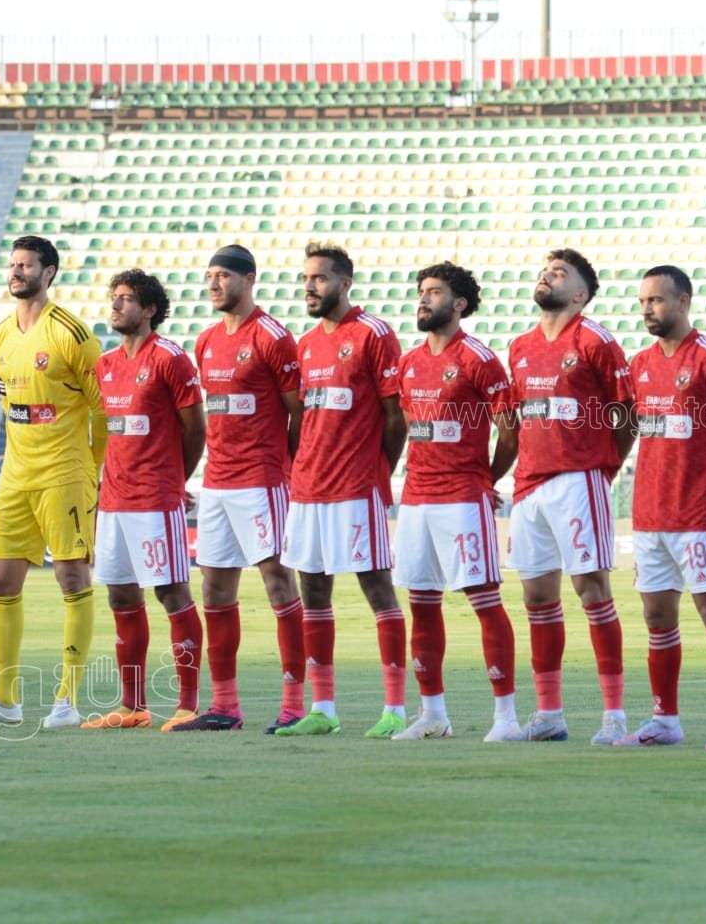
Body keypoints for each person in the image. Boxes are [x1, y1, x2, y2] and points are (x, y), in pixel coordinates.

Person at [0, 235, 107, 728]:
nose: (17, 272)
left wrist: (93, 471)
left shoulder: (72, 334)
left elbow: (103, 410)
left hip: (65, 474)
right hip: (16, 476)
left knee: (72, 577)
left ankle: (67, 701)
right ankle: (5, 699)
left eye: (27, 265)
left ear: (49, 272)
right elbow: (10, 405)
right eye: (13, 264)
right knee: (0, 580)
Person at [616, 265, 706, 749]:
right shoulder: (639, 364)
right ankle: (665, 720)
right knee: (657, 617)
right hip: (650, 514)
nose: (647, 309)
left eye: (655, 300)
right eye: (642, 302)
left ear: (683, 301)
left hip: (696, 512)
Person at [275, 242, 407, 737]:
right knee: (313, 591)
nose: (310, 287)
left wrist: (379, 467)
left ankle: (394, 709)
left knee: (377, 588)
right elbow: (303, 418)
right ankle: (323, 709)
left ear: (345, 283)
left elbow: (396, 417)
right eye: (306, 279)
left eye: (320, 278)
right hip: (308, 488)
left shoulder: (374, 334)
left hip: (356, 485)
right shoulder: (306, 343)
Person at [506, 248, 636, 745]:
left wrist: (604, 466)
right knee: (537, 597)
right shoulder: (520, 346)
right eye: (545, 271)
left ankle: (614, 717)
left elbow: (626, 413)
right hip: (528, 485)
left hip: (578, 480)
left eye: (559, 273)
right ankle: (549, 714)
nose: (547, 277)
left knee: (592, 590)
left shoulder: (595, 340)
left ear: (580, 294)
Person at [175, 244, 306, 733]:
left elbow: (300, 413)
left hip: (262, 480)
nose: (214, 284)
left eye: (224, 276)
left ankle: (294, 704)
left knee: (277, 581)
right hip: (217, 483)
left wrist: (284, 465)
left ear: (249, 280)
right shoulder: (207, 340)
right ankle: (225, 707)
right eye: (210, 275)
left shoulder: (272, 336)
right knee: (214, 587)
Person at [393, 262, 522, 742]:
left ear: (459, 303)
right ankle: (433, 715)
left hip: (462, 499)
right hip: (416, 499)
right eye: (421, 291)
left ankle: (506, 718)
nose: (424, 299)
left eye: (434, 292)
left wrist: (485, 478)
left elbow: (510, 432)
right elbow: (412, 425)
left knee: (484, 601)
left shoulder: (478, 359)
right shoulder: (408, 362)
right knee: (422, 604)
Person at [78, 270, 206, 730]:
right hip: (113, 500)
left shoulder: (171, 358)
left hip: (155, 500)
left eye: (127, 298)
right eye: (114, 297)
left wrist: (174, 479)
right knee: (120, 596)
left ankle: (187, 704)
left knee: (171, 592)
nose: (116, 305)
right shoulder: (106, 364)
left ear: (150, 309)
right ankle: (133, 707)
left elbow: (196, 430)